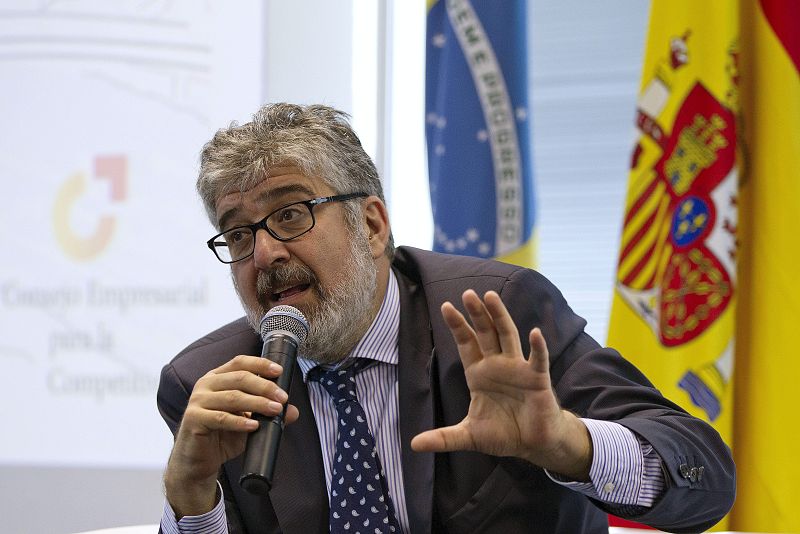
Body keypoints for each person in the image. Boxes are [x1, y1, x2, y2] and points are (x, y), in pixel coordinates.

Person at [158, 103, 735, 534]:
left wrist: (567, 442)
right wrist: (190, 496)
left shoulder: (497, 313)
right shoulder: (207, 384)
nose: (263, 254)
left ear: (372, 226)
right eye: (238, 234)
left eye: (290, 214)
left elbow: (705, 477)